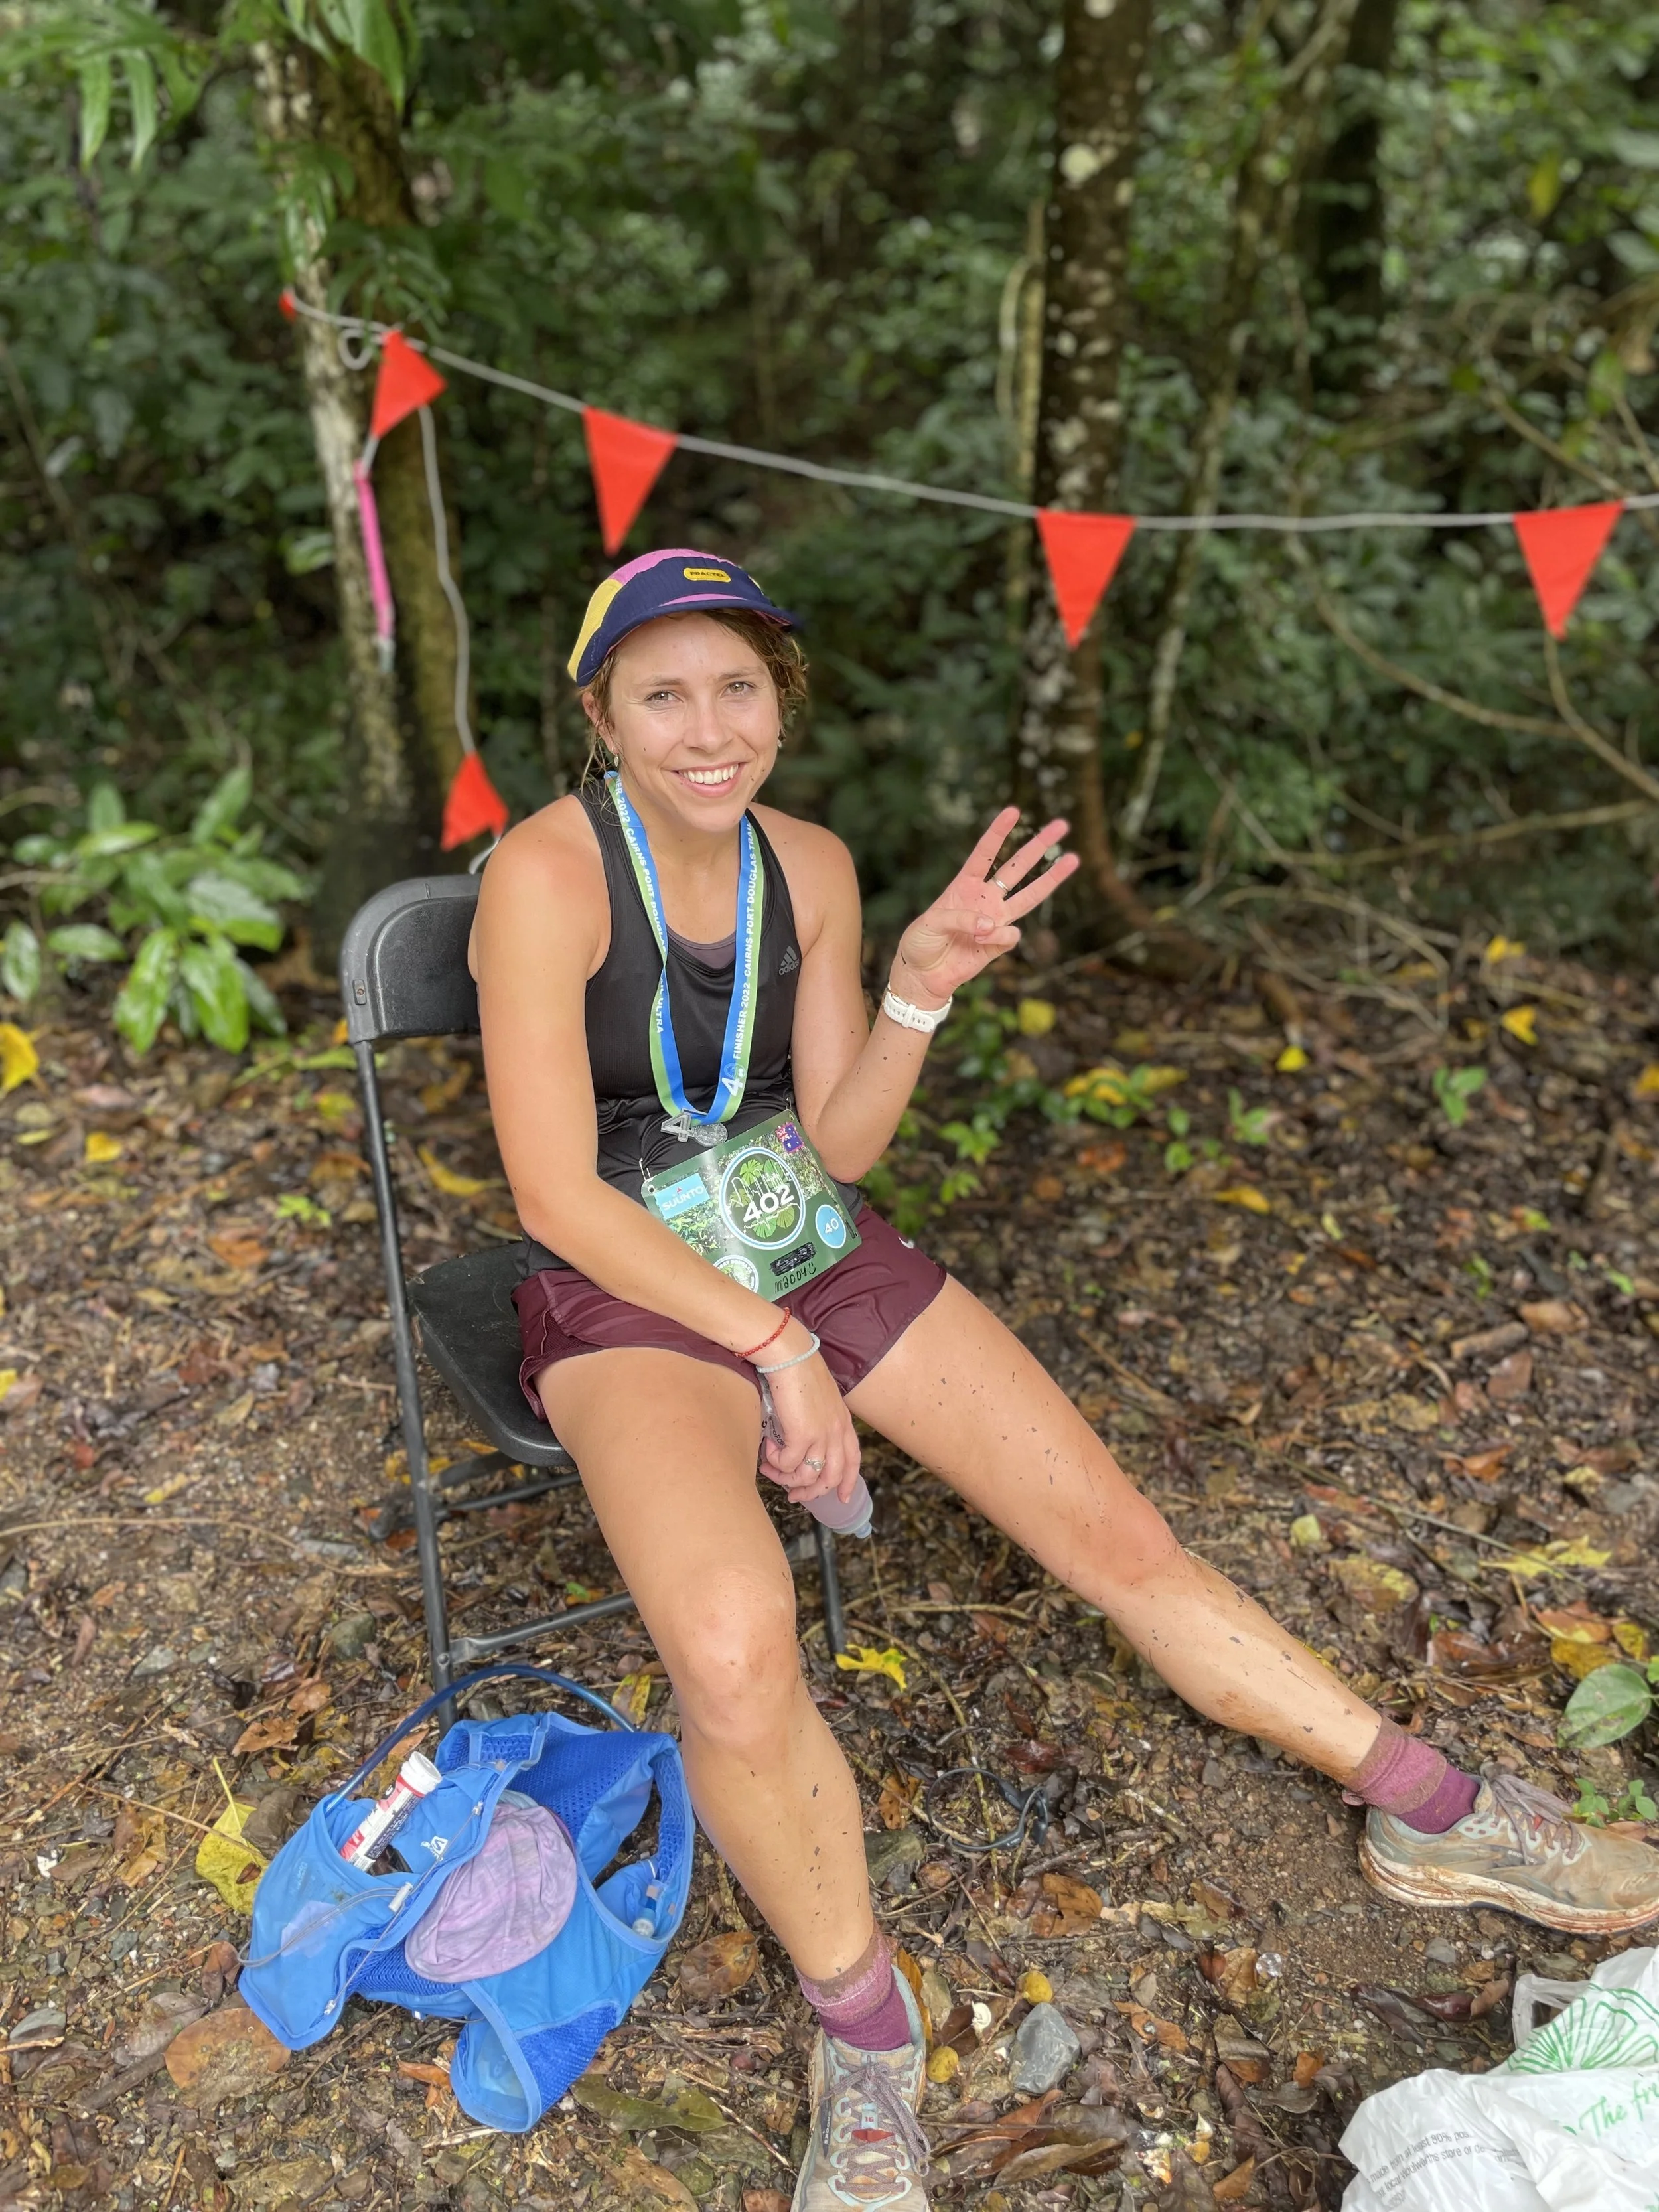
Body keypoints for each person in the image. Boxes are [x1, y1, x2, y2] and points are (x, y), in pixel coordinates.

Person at [472, 549, 1659, 2212]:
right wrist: (765, 1347)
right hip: (624, 1280)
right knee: (734, 1655)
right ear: (598, 712)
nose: (707, 724)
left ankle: (1435, 1807)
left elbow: (833, 1141)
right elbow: (551, 1190)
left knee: (1115, 1535)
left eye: (737, 684)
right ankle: (868, 2039)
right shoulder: (544, 873)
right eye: (662, 690)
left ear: (780, 700)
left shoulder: (805, 862)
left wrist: (914, 993)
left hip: (797, 1234)